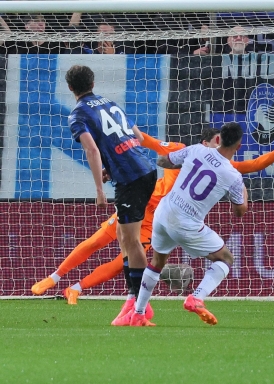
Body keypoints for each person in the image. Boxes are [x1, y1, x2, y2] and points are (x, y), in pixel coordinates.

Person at [31, 127, 274, 310]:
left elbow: (253, 165)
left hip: (159, 219)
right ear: (208, 142)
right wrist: (126, 134)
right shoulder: (186, 150)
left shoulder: (222, 165)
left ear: (218, 143)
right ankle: (53, 279)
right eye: (210, 142)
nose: (212, 145)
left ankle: (77, 288)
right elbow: (147, 143)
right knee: (96, 241)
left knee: (125, 263)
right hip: (144, 206)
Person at [122, 122, 249, 327]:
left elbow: (164, 161)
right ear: (238, 146)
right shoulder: (233, 176)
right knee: (225, 258)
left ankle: (138, 314)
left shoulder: (197, 149)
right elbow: (239, 211)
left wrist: (185, 164)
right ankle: (196, 298)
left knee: (156, 262)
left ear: (219, 139)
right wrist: (242, 188)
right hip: (186, 222)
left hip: (163, 213)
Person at [62, 65, 158, 323]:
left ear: (70, 88)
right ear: (92, 82)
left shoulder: (78, 115)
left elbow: (92, 150)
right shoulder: (110, 103)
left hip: (132, 178)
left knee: (132, 239)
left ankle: (141, 306)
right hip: (142, 169)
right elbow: (136, 136)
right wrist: (115, 166)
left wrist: (98, 189)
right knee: (123, 236)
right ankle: (133, 300)